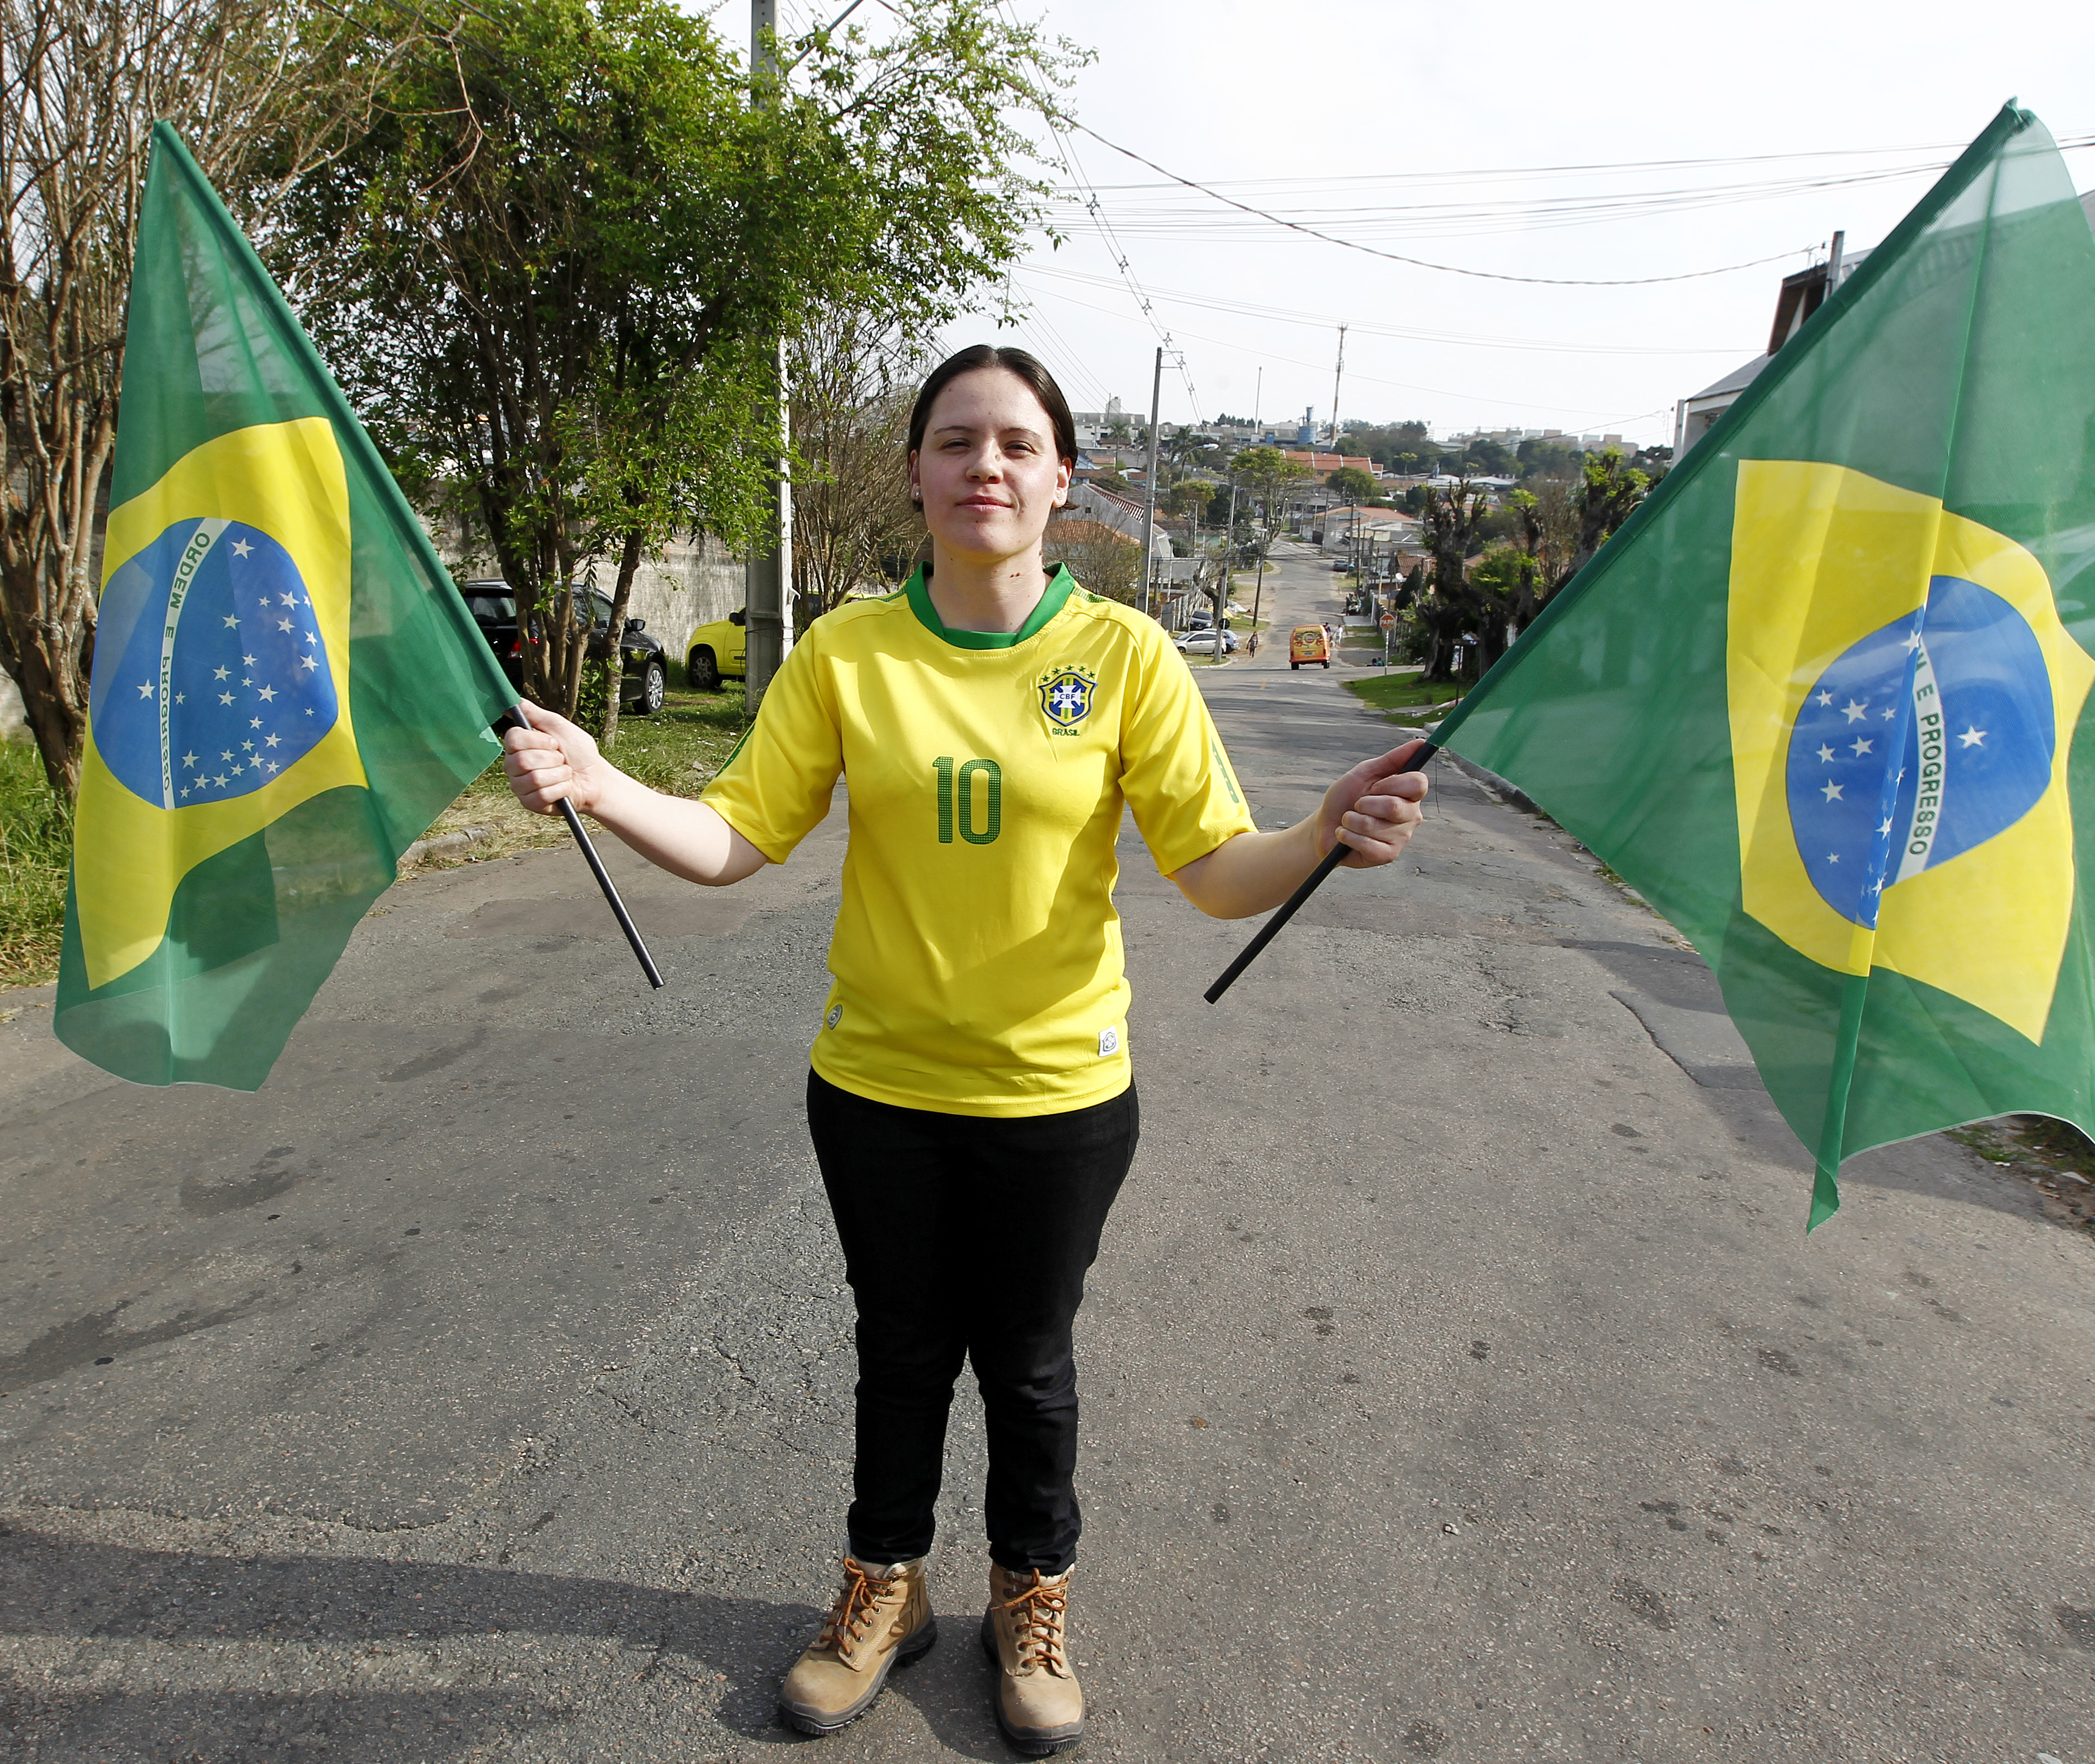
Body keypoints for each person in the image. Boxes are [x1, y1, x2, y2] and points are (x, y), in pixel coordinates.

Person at [499, 344, 1428, 1754]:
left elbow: (1217, 869)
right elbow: (736, 838)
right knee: (902, 1346)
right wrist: (604, 779)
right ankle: (884, 1590)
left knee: (1030, 1359)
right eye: (952, 442)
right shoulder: (847, 654)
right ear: (918, 475)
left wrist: (1320, 839)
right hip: (876, 1088)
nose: (982, 466)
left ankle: (1030, 1597)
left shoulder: (1122, 658)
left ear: (1061, 477)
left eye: (1012, 443)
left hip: (1060, 1095)